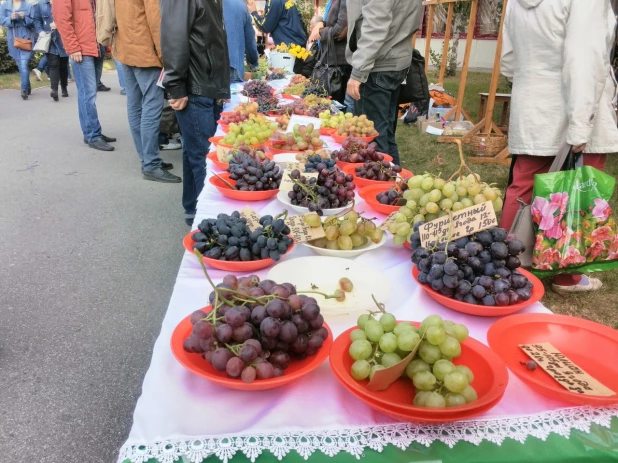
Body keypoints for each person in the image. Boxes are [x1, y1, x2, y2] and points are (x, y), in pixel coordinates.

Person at [500, 0, 618, 293]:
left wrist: (531, 88)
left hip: (532, 99)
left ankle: (503, 266)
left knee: (523, 184)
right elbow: (584, 57)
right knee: (580, 189)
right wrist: (581, 123)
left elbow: (509, 58)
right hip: (572, 101)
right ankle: (568, 276)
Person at [161, 0, 231, 226]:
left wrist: (221, 86)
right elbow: (174, 37)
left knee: (195, 153)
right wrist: (176, 86)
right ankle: (211, 225)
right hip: (195, 87)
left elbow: (215, 38)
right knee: (205, 159)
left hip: (205, 85)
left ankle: (194, 211)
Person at [345, 0, 422, 165]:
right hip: (393, 60)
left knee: (373, 140)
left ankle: (381, 188)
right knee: (384, 133)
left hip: (378, 65)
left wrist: (358, 72)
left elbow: (375, 26)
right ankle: (393, 186)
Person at [114, 0, 181, 183]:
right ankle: (151, 164)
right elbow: (155, 21)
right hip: (145, 54)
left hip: (125, 49)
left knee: (135, 106)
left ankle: (147, 159)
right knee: (151, 107)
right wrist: (165, 57)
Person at [52, 0, 116, 151]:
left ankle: (92, 131)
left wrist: (105, 43)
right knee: (88, 94)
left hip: (96, 46)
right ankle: (93, 135)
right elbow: (61, 18)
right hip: (81, 49)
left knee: (89, 93)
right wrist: (72, 47)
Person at [308, 0, 350, 104]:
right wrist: (321, 24)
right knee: (326, 103)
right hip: (331, 61)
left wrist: (320, 32)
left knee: (337, 105)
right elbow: (332, 22)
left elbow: (340, 31)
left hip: (340, 64)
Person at [0, 0, 38, 100]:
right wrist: (10, 18)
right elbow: (1, 20)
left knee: (23, 64)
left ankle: (24, 89)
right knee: (19, 64)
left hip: (26, 38)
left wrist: (24, 17)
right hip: (13, 39)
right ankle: (27, 85)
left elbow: (34, 22)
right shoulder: (5, 6)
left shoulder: (28, 6)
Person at [35, 0, 69, 101]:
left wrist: (59, 25)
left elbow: (70, 18)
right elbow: (37, 20)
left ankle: (64, 87)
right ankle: (54, 90)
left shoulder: (64, 2)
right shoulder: (41, 4)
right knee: (53, 64)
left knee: (63, 65)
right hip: (49, 39)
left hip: (63, 39)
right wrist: (40, 31)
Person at [223, 0, 259, 84]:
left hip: (203, 69)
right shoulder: (240, 5)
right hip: (232, 66)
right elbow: (250, 41)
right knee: (232, 96)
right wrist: (253, 63)